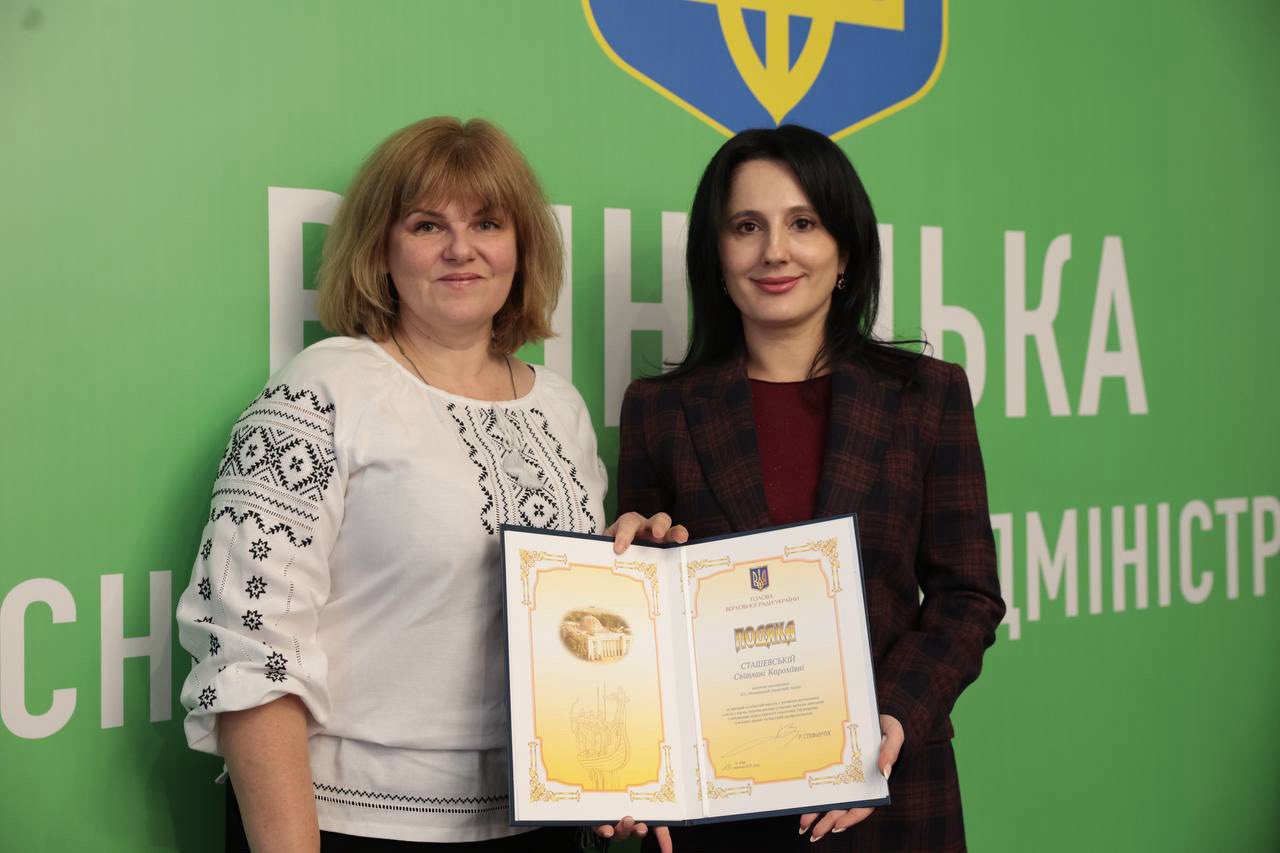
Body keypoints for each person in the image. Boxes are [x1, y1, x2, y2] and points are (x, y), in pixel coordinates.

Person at [175, 116, 680, 852]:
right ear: (380, 248)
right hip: (352, 824)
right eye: (426, 225)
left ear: (521, 248)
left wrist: (635, 572)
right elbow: (248, 647)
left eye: (487, 223)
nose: (460, 248)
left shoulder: (560, 408)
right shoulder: (323, 388)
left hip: (539, 822)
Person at [616, 125, 1006, 852]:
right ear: (716, 254)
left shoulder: (926, 395)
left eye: (803, 223)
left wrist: (892, 717)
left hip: (889, 799)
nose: (775, 251)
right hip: (717, 816)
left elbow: (968, 595)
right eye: (746, 226)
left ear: (845, 251)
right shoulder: (658, 410)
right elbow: (643, 620)